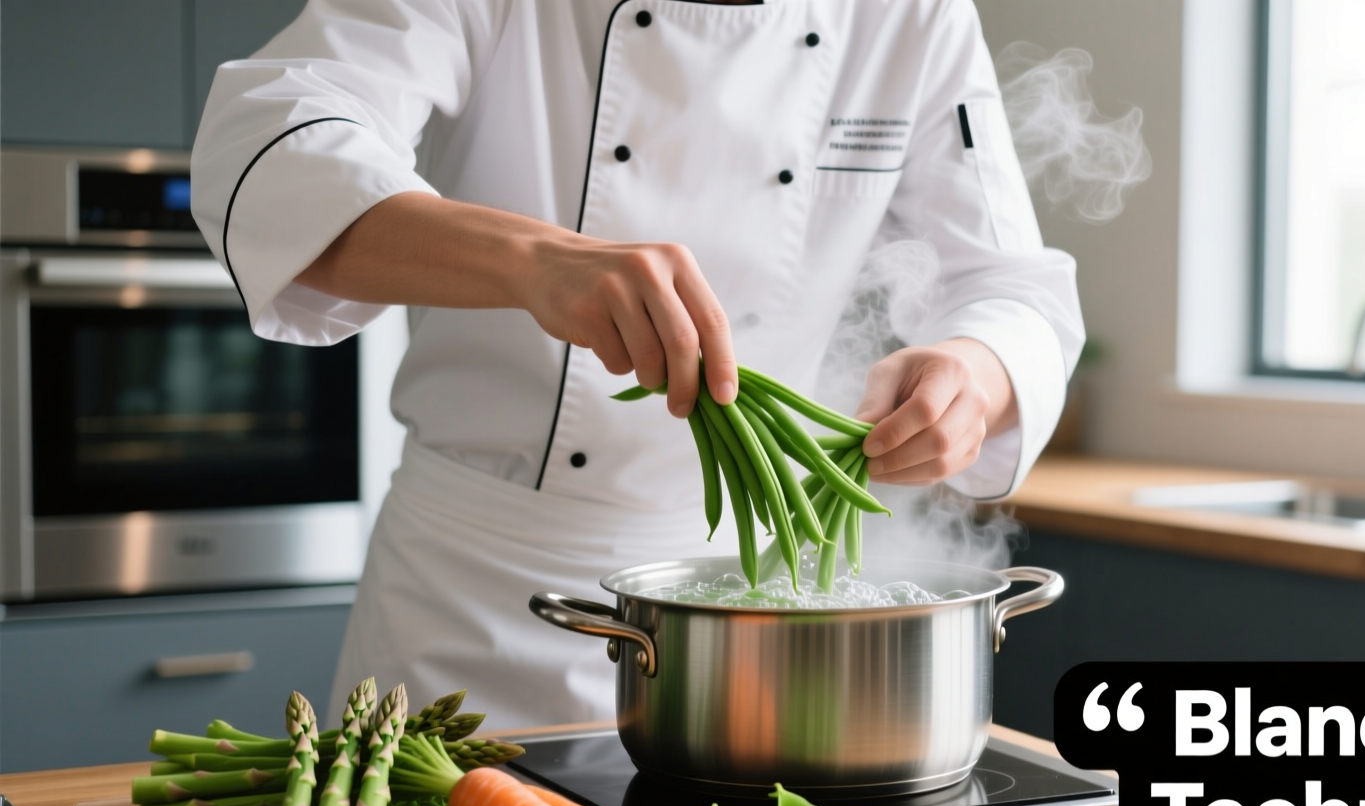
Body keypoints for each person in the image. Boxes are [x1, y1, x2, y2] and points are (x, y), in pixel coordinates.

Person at [192, 0, 1084, 728]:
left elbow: (1016, 289)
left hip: (744, 615)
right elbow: (271, 142)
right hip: (475, 597)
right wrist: (532, 260)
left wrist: (976, 369)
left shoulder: (909, 14)